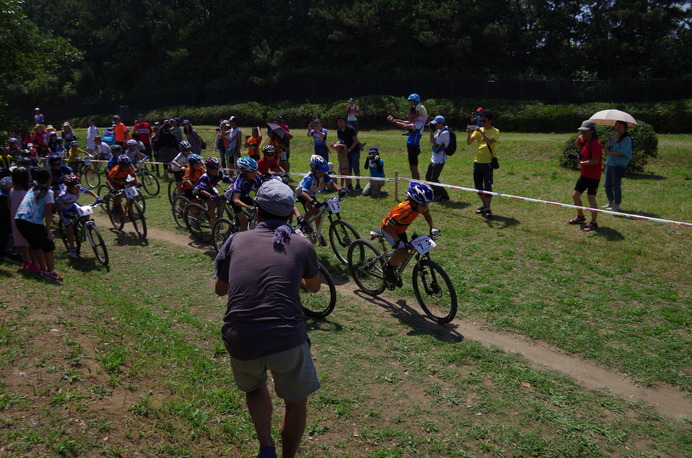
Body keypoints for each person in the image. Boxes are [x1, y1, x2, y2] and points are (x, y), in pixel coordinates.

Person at [214, 179, 321, 458]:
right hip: (287, 338)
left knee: (255, 388)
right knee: (296, 403)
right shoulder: (301, 244)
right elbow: (314, 286)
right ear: (289, 215)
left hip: (241, 339)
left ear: (257, 212)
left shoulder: (235, 240)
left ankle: (266, 448)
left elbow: (220, 290)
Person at [380, 182, 437, 284]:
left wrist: (432, 228)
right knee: (402, 251)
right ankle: (387, 268)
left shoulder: (419, 206)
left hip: (400, 230)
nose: (426, 207)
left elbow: (427, 215)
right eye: (423, 205)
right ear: (414, 202)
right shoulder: (404, 209)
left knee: (405, 254)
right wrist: (397, 241)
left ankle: (394, 267)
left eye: (427, 204)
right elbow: (388, 225)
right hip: (389, 229)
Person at [14, 168, 63, 281]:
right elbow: (48, 212)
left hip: (19, 219)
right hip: (33, 222)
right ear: (49, 179)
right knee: (48, 246)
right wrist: (48, 230)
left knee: (35, 245)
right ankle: (50, 271)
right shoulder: (48, 192)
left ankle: (42, 269)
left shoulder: (32, 189)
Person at [297, 155, 344, 245]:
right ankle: (303, 223)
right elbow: (303, 192)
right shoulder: (309, 178)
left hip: (311, 194)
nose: (323, 174)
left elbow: (331, 183)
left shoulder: (323, 174)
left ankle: (318, 233)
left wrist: (339, 189)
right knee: (314, 209)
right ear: (314, 170)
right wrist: (312, 201)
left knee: (319, 214)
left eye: (324, 171)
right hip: (303, 194)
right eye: (320, 172)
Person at [55, 175, 101, 259]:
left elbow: (89, 191)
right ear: (69, 188)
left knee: (86, 212)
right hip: (64, 208)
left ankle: (86, 226)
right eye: (75, 188)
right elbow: (57, 203)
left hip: (72, 205)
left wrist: (97, 197)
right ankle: (72, 249)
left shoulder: (79, 189)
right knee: (69, 228)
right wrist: (63, 210)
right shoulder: (63, 195)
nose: (78, 189)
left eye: (78, 187)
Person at [569, 120, 602, 232]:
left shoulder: (596, 143)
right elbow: (577, 145)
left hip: (593, 175)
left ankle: (593, 223)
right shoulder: (585, 140)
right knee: (575, 195)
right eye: (581, 130)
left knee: (591, 198)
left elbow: (596, 160)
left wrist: (582, 163)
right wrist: (578, 138)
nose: (582, 132)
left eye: (585, 130)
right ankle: (580, 216)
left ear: (591, 131)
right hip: (584, 174)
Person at [466, 109, 500, 218]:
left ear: (490, 120)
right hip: (477, 162)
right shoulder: (478, 130)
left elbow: (490, 141)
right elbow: (469, 142)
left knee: (488, 186)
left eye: (484, 121)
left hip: (488, 163)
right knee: (478, 186)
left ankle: (488, 208)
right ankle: (484, 205)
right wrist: (469, 133)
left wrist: (481, 133)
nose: (482, 123)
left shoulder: (495, 131)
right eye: (481, 121)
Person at [9, 167, 36, 271]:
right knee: (30, 243)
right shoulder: (28, 193)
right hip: (28, 220)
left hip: (15, 220)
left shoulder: (11, 191)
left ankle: (27, 261)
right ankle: (34, 263)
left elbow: (9, 205)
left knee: (21, 242)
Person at [387, 107, 425, 180]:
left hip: (414, 147)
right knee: (412, 167)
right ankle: (415, 182)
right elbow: (402, 121)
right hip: (411, 146)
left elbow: (404, 126)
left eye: (409, 113)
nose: (408, 115)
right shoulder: (414, 121)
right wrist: (393, 119)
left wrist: (393, 121)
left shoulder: (419, 123)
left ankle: (417, 183)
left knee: (414, 168)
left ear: (414, 114)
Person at [603, 120, 632, 211]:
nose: (617, 127)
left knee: (616, 186)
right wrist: (608, 142)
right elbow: (606, 148)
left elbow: (621, 152)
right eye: (616, 125)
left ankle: (617, 204)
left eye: (620, 125)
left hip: (618, 165)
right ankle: (610, 202)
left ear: (625, 127)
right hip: (609, 164)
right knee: (607, 185)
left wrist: (609, 152)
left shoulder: (626, 139)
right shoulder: (614, 137)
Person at [228, 157, 262, 232]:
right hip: (234, 198)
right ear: (244, 172)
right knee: (244, 223)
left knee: (259, 210)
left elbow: (260, 190)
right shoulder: (239, 180)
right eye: (251, 171)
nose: (255, 173)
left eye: (255, 170)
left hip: (244, 195)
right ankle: (239, 241)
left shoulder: (255, 176)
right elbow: (236, 200)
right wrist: (248, 207)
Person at [427, 115, 451, 202]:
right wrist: (432, 133)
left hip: (440, 159)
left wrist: (431, 133)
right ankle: (437, 193)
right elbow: (432, 141)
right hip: (434, 157)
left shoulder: (445, 133)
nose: (435, 125)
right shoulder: (440, 131)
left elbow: (435, 143)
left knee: (434, 179)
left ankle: (444, 195)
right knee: (428, 177)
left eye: (436, 124)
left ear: (441, 123)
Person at [335, 115, 361, 190]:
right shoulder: (339, 131)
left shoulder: (350, 129)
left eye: (341, 121)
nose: (340, 123)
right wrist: (336, 145)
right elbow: (341, 140)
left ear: (344, 121)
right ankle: (349, 185)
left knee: (355, 168)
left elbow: (356, 141)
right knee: (347, 169)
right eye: (338, 122)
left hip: (354, 151)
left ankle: (358, 185)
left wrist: (349, 150)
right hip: (345, 152)